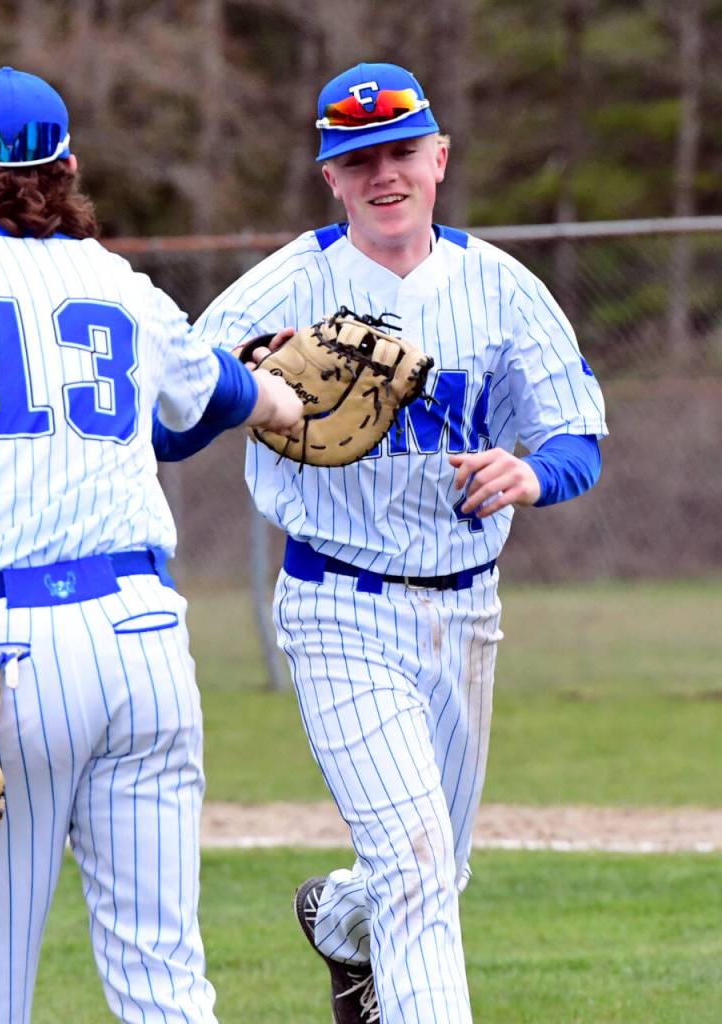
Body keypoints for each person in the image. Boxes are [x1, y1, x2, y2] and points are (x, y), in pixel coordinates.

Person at [0, 66, 301, 1024]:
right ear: (69, 166)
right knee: (166, 983)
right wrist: (284, 393)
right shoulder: (117, 283)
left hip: (3, 656)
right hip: (146, 645)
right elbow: (216, 399)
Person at [174, 62, 608, 1023]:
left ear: (440, 157)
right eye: (357, 158)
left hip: (466, 608)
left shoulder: (499, 286)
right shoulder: (287, 284)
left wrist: (531, 474)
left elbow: (579, 438)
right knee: (416, 866)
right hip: (339, 602)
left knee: (432, 870)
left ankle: (338, 920)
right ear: (329, 174)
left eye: (402, 151)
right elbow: (165, 422)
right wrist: (244, 386)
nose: (384, 174)